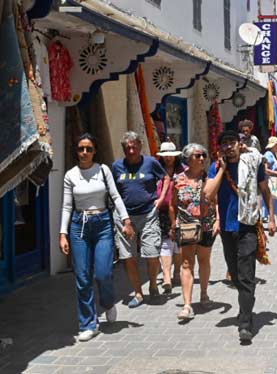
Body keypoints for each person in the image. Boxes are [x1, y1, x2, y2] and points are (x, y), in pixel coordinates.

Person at [59, 133, 135, 341]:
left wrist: (126, 221)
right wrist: (63, 233)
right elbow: (67, 206)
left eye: (89, 149)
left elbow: (116, 196)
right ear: (77, 151)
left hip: (102, 224)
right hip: (78, 226)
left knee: (103, 273)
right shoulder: (70, 175)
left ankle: (108, 302)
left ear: (95, 151)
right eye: (81, 149)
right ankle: (88, 324)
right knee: (83, 277)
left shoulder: (103, 170)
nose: (84, 153)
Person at [203, 130, 276, 344]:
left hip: (248, 227)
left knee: (246, 276)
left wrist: (271, 218)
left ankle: (245, 323)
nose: (228, 147)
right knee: (234, 276)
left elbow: (265, 189)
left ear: (239, 144)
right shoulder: (216, 168)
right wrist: (221, 170)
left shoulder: (252, 164)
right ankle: (246, 307)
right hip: (227, 229)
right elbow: (208, 195)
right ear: (220, 148)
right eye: (224, 143)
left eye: (231, 142)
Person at [112, 131, 168, 308]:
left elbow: (165, 177)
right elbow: (113, 191)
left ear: (140, 146)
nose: (131, 150)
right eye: (127, 148)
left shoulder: (151, 162)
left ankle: (152, 285)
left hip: (148, 214)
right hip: (124, 217)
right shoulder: (117, 166)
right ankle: (138, 292)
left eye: (134, 147)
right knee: (128, 256)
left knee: (152, 253)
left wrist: (160, 199)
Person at [170, 143, 218, 320]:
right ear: (188, 158)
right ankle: (187, 305)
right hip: (187, 226)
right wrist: (173, 223)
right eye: (197, 155)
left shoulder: (209, 178)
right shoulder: (178, 179)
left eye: (203, 155)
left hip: (206, 225)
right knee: (186, 263)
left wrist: (218, 220)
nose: (202, 159)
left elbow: (216, 201)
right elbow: (172, 204)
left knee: (204, 260)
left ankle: (204, 294)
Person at [156, 141, 185, 294]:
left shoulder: (183, 170)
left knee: (178, 245)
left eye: (170, 156)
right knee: (165, 243)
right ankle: (167, 276)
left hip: (180, 211)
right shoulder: (156, 170)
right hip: (162, 212)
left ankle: (176, 272)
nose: (168, 158)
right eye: (165, 155)